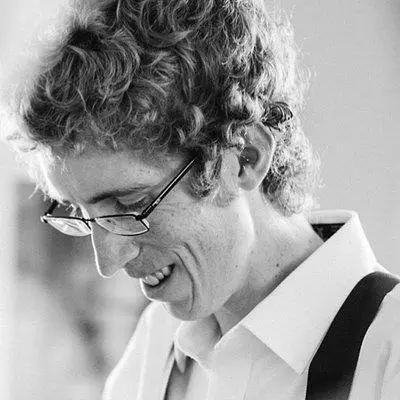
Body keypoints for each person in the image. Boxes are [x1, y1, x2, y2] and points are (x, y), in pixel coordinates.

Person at [3, 0, 400, 399]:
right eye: (81, 213)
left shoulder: (390, 352)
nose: (108, 262)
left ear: (245, 158)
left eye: (130, 205)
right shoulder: (154, 347)